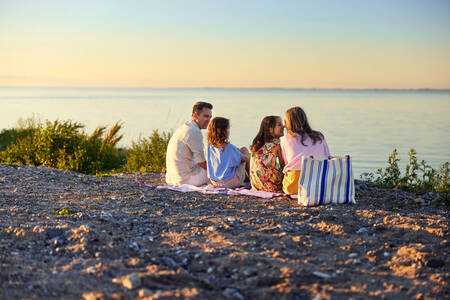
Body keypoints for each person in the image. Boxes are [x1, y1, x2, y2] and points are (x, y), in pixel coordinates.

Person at [280, 106, 330, 194]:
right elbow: (327, 158)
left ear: (288, 122)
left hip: (294, 186)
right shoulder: (319, 136)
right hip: (318, 183)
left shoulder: (285, 139)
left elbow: (286, 163)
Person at [165, 101, 213, 186]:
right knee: (220, 169)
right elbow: (201, 162)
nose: (208, 120)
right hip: (186, 180)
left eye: (210, 117)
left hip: (172, 178)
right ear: (195, 115)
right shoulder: (194, 131)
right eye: (205, 116)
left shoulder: (186, 127)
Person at [206, 117, 250, 188]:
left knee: (240, 151)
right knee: (245, 152)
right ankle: (251, 180)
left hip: (214, 182)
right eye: (228, 128)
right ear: (223, 131)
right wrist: (249, 156)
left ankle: (247, 180)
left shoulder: (209, 147)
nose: (229, 131)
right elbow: (245, 159)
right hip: (229, 183)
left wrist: (237, 151)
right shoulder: (229, 147)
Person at [249, 116, 285, 192]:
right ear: (271, 130)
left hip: (256, 185)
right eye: (279, 125)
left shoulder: (257, 145)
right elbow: (284, 167)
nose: (283, 126)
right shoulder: (277, 144)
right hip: (272, 187)